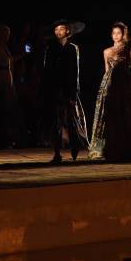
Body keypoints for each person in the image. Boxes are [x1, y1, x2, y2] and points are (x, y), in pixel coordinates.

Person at [89, 22, 131, 161]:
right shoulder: (106, 51)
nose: (116, 35)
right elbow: (106, 71)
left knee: (125, 117)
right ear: (111, 35)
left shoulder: (128, 50)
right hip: (110, 88)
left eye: (119, 33)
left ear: (124, 35)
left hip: (125, 89)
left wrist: (125, 73)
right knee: (110, 117)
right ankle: (109, 149)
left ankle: (128, 149)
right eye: (114, 33)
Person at [40, 19, 89, 163]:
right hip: (54, 88)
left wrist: (74, 92)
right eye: (56, 29)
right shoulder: (51, 49)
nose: (58, 32)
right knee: (55, 120)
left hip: (68, 88)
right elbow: (47, 71)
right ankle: (56, 153)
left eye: (61, 29)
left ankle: (74, 146)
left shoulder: (72, 48)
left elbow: (75, 71)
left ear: (68, 31)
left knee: (71, 119)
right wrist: (45, 89)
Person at [0, 23, 20, 148]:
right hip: (2, 81)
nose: (8, 36)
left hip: (8, 80)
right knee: (2, 110)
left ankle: (7, 138)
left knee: (8, 110)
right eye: (5, 34)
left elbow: (10, 63)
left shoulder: (5, 47)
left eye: (9, 34)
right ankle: (0, 139)